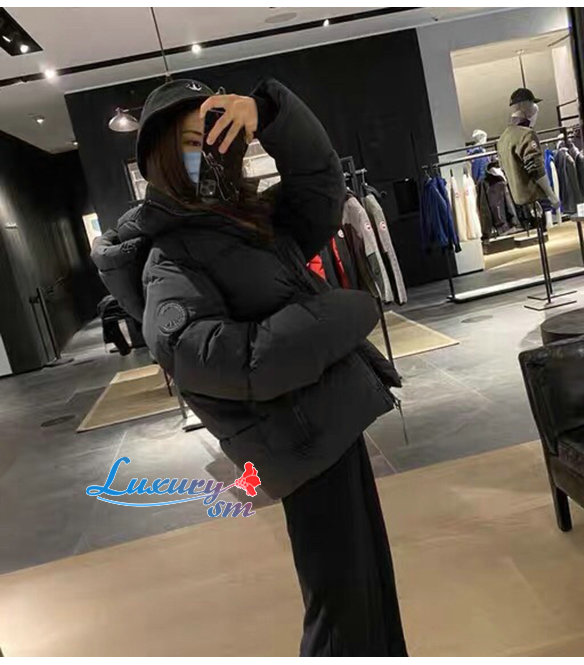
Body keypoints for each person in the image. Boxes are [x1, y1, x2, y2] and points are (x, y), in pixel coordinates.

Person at [90, 76, 409, 657]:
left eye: (214, 139)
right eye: (191, 143)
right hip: (299, 443)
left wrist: (268, 113)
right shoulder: (169, 258)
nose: (206, 155)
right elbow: (223, 361)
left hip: (329, 424)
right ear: (161, 156)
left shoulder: (249, 223)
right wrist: (342, 314)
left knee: (369, 590)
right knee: (340, 609)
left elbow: (320, 186)